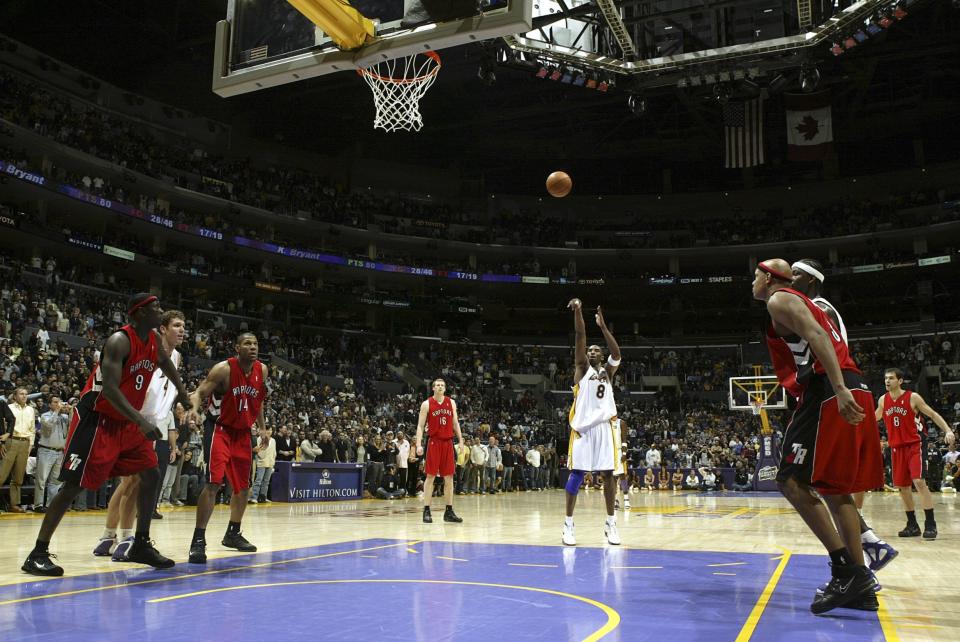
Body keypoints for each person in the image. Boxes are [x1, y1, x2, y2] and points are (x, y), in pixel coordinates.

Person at [22, 293, 190, 576]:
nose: (159, 311)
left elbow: (166, 363)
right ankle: (37, 553)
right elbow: (111, 391)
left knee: (151, 474)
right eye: (154, 308)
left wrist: (184, 394)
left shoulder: (153, 341)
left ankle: (140, 543)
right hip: (97, 419)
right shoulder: (119, 341)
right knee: (74, 486)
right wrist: (141, 420)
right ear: (138, 314)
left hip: (125, 421)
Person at [755, 259, 883, 614]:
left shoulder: (779, 299)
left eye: (755, 275)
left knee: (790, 480)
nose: (752, 282)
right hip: (849, 384)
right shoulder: (815, 304)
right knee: (833, 487)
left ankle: (845, 569)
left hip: (829, 387)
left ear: (768, 278)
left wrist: (838, 389)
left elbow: (818, 336)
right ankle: (860, 584)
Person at [791, 259, 899, 573]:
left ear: (811, 281)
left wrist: (833, 387)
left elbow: (827, 350)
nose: (789, 279)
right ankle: (868, 545)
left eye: (795, 274)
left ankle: (858, 568)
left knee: (806, 480)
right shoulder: (816, 308)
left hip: (836, 392)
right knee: (822, 482)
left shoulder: (819, 308)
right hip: (838, 390)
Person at [92, 309, 186, 561]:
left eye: (183, 326)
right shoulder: (146, 350)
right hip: (136, 420)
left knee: (129, 483)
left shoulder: (175, 357)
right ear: (162, 329)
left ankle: (107, 536)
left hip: (152, 424)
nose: (182, 330)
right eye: (176, 325)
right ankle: (125, 539)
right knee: (132, 483)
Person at [188, 332, 268, 564]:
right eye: (247, 343)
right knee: (213, 483)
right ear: (237, 347)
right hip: (220, 429)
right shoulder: (223, 369)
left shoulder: (261, 371)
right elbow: (200, 392)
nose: (252, 347)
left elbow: (258, 400)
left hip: (243, 433)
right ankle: (198, 540)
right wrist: (194, 408)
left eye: (255, 343)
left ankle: (233, 533)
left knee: (243, 488)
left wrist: (262, 427)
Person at [563, 299, 622, 547]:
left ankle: (611, 524)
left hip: (604, 428)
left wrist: (604, 328)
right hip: (583, 430)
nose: (592, 352)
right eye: (590, 350)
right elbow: (579, 335)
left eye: (596, 350)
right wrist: (578, 311)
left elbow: (617, 354)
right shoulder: (581, 369)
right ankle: (568, 524)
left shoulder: (607, 373)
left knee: (609, 475)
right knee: (577, 474)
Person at [876, 367, 955, 540]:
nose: (887, 381)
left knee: (919, 481)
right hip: (896, 448)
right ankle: (912, 525)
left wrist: (948, 430)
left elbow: (932, 414)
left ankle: (930, 523)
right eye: (885, 378)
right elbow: (874, 418)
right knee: (902, 487)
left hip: (915, 445)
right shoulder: (883, 400)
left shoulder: (912, 397)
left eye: (891, 378)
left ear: (900, 381)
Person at [414, 378, 464, 524]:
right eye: (437, 385)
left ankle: (449, 511)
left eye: (442, 385)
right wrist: (418, 444)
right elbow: (420, 426)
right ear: (433, 388)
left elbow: (455, 423)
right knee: (430, 477)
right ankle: (426, 510)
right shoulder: (426, 404)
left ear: (445, 388)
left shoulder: (451, 402)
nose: (440, 386)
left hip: (448, 442)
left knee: (449, 478)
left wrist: (460, 440)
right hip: (434, 442)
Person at [0, 387, 37, 512]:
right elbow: (3, 426)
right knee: (1, 475)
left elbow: (32, 429)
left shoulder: (31, 409)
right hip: (10, 441)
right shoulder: (8, 407)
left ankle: (14, 504)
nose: (24, 396)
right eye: (21, 394)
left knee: (18, 478)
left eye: (26, 394)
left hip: (25, 443)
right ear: (14, 396)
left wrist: (30, 445)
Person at [33, 396, 70, 512]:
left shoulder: (64, 417)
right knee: (41, 479)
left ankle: (51, 505)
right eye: (55, 402)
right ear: (50, 405)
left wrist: (72, 410)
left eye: (59, 402)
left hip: (60, 452)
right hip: (46, 451)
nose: (58, 404)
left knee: (56, 481)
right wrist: (57, 410)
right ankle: (38, 505)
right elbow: (49, 425)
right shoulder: (44, 416)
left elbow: (74, 424)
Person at [250, 426, 276, 503]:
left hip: (270, 463)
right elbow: (257, 451)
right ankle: (254, 497)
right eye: (268, 430)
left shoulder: (273, 440)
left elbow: (274, 452)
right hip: (261, 462)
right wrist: (261, 458)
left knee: (266, 481)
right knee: (258, 480)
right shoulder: (259, 439)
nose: (269, 431)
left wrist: (273, 462)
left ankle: (263, 497)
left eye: (270, 430)